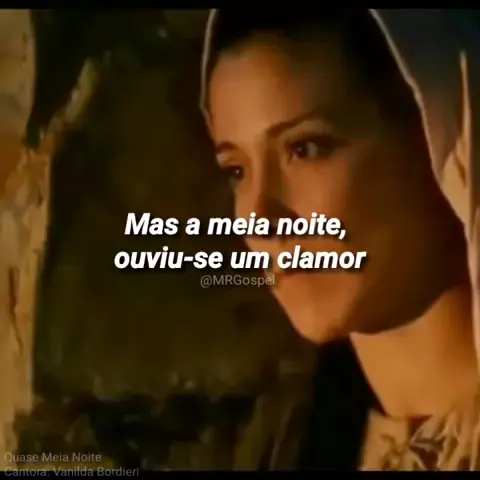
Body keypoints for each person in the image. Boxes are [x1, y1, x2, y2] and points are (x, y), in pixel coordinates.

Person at [199, 8, 480, 471]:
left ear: (439, 133)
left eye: (305, 148)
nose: (258, 218)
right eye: (236, 170)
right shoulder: (280, 450)